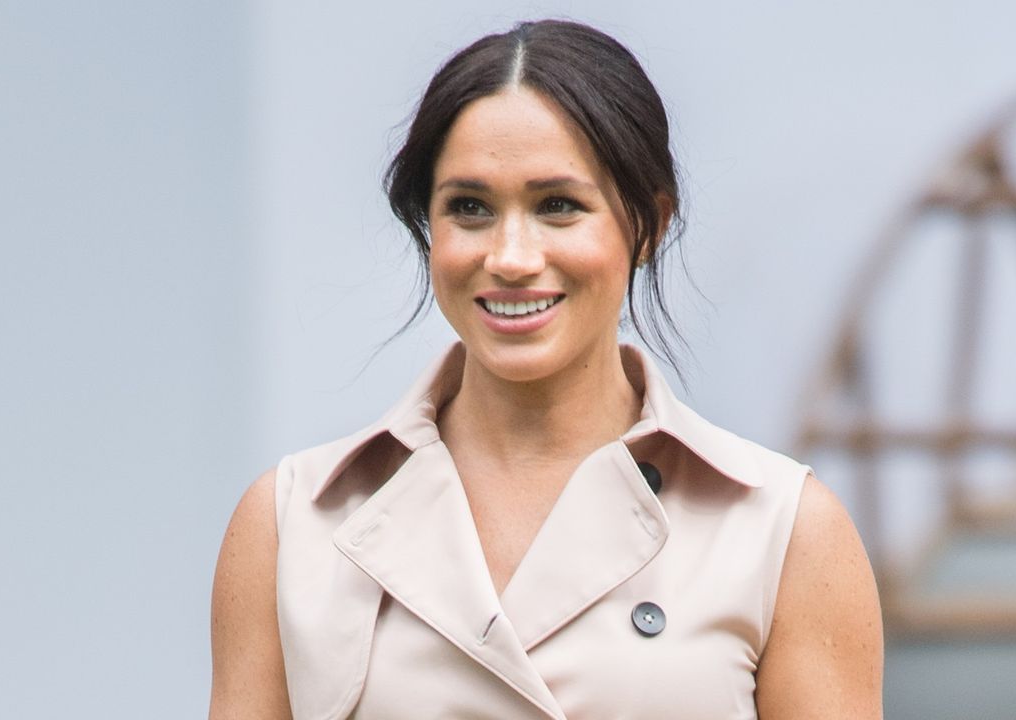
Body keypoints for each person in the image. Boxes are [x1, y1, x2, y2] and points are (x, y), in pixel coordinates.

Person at [210, 19, 882, 720]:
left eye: (557, 206)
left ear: (647, 226)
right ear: (427, 229)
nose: (510, 256)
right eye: (468, 209)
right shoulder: (294, 523)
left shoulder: (780, 528)